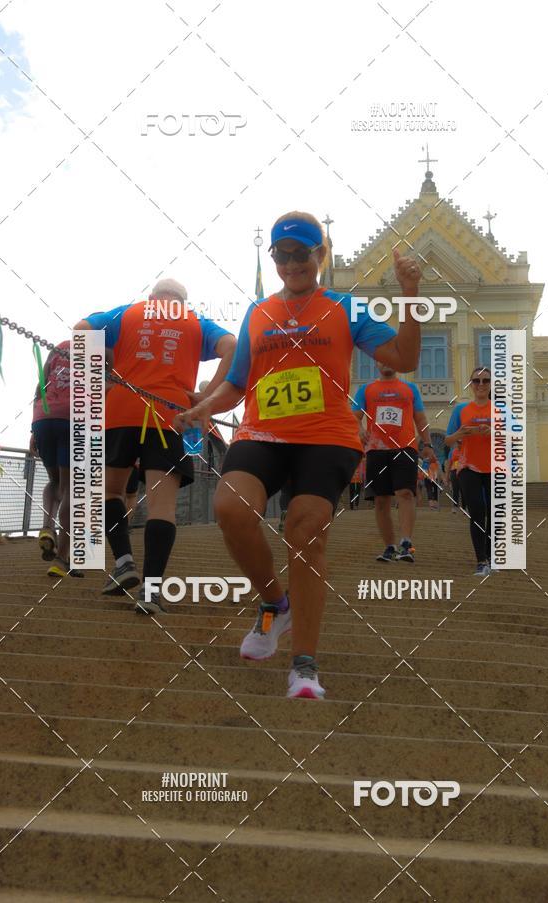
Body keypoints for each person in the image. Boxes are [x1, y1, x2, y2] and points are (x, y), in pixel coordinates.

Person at [175, 211, 422, 700]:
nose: (292, 264)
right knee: (230, 509)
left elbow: (405, 359)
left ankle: (304, 665)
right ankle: (274, 603)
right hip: (262, 432)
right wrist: (204, 407)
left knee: (304, 531)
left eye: (302, 254)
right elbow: (237, 383)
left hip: (326, 435)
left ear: (319, 256)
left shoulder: (345, 308)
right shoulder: (258, 313)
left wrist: (410, 296)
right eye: (282, 255)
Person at [74, 279, 236, 613]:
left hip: (121, 410)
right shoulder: (195, 320)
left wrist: (100, 375)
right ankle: (151, 593)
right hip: (170, 412)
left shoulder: (127, 313)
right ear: (183, 300)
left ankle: (123, 561)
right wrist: (207, 397)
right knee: (163, 507)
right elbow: (233, 346)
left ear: (152, 297)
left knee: (110, 492)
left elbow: (81, 330)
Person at [352, 361, 436, 562]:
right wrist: (360, 430)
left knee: (405, 493)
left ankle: (406, 543)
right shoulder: (366, 389)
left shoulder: (410, 388)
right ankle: (389, 546)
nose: (386, 363)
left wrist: (428, 444)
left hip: (405, 447)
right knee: (381, 499)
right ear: (376, 363)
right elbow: (354, 417)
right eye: (381, 359)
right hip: (376, 450)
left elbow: (421, 419)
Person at [30, 340, 83, 578]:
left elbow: (40, 385)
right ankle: (62, 559)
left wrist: (33, 429)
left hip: (44, 417)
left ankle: (46, 527)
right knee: (71, 487)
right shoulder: (103, 352)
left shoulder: (60, 346)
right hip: (74, 418)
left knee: (54, 482)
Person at [446, 366, 492, 577]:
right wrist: (460, 432)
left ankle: (492, 557)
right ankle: (481, 560)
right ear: (471, 384)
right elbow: (447, 441)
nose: (481, 385)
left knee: (494, 514)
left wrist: (495, 430)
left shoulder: (500, 410)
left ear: (491, 384)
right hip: (468, 467)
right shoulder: (460, 410)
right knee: (477, 512)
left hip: (495, 467)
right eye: (476, 381)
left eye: (485, 381)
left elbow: (514, 437)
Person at [445, 444, 463, 514]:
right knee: (455, 490)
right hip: (454, 471)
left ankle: (464, 507)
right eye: (458, 442)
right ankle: (455, 507)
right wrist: (447, 476)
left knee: (463, 491)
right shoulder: (452, 451)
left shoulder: (465, 450)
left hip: (463, 471)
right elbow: (449, 463)